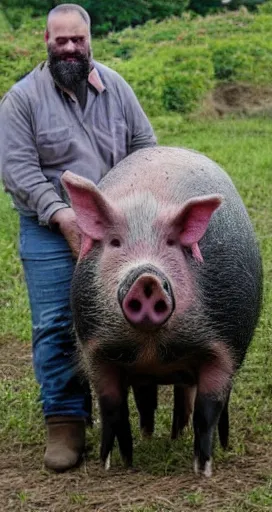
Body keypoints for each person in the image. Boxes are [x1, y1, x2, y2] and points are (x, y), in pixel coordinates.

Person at [0, 4, 157, 472]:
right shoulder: (22, 100)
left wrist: (128, 205)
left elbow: (145, 147)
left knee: (125, 311)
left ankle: (127, 401)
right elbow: (18, 169)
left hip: (117, 223)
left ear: (90, 41)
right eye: (61, 40)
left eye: (78, 40)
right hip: (50, 225)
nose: (70, 48)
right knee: (55, 323)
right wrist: (63, 216)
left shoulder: (116, 87)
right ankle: (65, 422)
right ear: (45, 41)